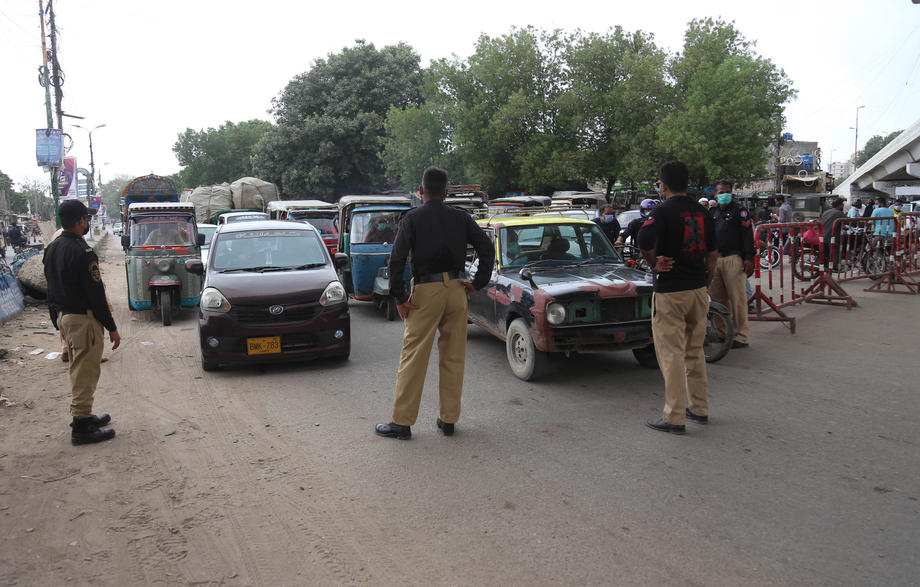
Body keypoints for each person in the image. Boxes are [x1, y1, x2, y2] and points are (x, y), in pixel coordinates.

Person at [375, 167, 495, 440]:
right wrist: (477, 283)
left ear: (421, 191)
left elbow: (397, 259)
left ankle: (402, 423)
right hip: (456, 289)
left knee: (414, 356)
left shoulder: (412, 218)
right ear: (446, 192)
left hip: (426, 292)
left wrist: (399, 298)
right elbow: (486, 248)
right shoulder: (461, 218)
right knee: (454, 356)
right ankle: (448, 420)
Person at [637, 161, 717, 435]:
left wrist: (654, 264)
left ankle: (674, 416)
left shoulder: (661, 212)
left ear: (663, 185)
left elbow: (643, 241)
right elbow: (713, 255)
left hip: (671, 291)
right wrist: (706, 281)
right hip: (697, 289)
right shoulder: (703, 212)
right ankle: (700, 407)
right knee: (695, 351)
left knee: (671, 354)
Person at [42, 200, 121, 445]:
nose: (87, 223)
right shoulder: (82, 251)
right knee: (85, 372)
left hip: (65, 316)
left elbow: (50, 288)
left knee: (79, 368)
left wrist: (57, 321)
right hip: (83, 319)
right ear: (80, 221)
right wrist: (112, 327)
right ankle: (81, 425)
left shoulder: (52, 248)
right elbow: (96, 294)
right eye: (85, 219)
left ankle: (84, 416)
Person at [709, 181, 755, 349]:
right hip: (715, 260)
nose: (724, 194)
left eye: (727, 192)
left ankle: (740, 336)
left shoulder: (740, 212)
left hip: (733, 259)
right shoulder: (712, 212)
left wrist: (749, 258)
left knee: (738, 299)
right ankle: (722, 333)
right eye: (721, 192)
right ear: (715, 194)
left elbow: (747, 236)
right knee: (717, 300)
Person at [820, 197, 847, 270]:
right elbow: (850, 221)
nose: (843, 206)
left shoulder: (826, 212)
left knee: (826, 254)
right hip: (831, 237)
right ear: (840, 205)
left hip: (822, 235)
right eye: (842, 204)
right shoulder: (839, 213)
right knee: (836, 250)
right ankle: (834, 267)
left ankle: (827, 267)